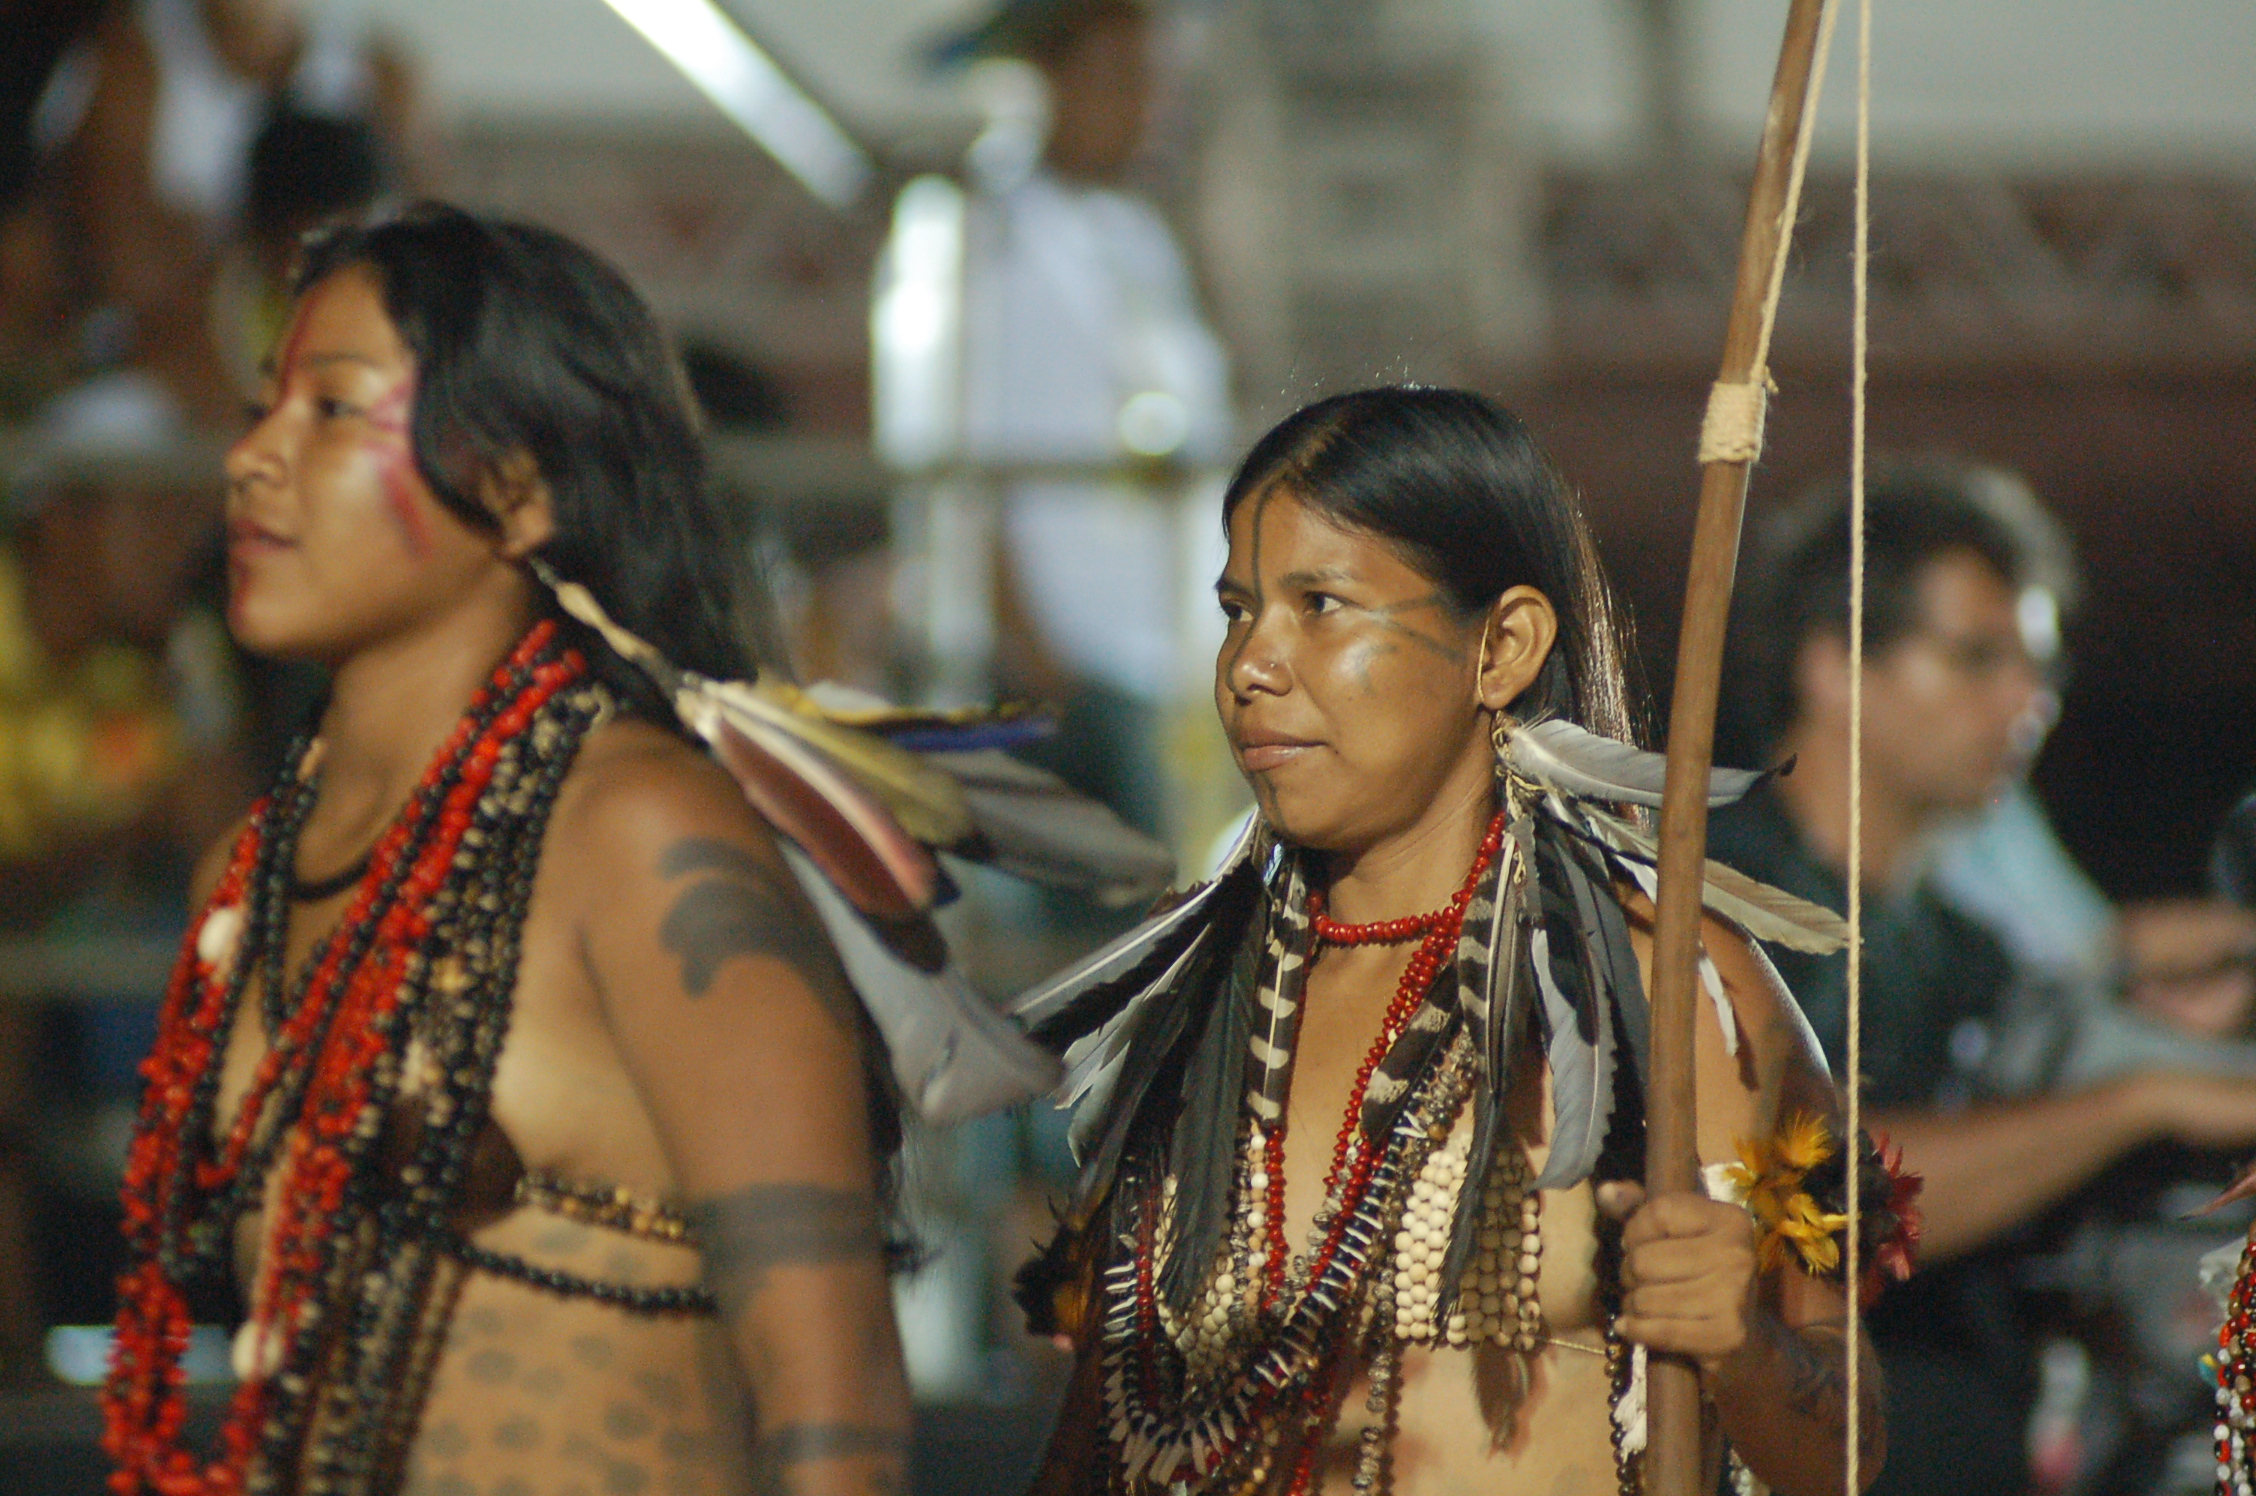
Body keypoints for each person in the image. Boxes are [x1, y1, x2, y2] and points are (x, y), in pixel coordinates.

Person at [103, 205, 908, 1496]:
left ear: (520, 490)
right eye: (262, 405)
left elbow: (837, 1384)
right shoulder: (242, 882)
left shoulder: (641, 836)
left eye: (331, 409)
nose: (252, 457)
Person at [1012, 387, 1896, 1496]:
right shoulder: (1191, 992)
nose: (1250, 664)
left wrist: (1743, 1345)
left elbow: (1846, 1452)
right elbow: (1096, 1432)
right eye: (1240, 609)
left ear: (1503, 645)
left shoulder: (1676, 987)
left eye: (1321, 604)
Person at [1711, 460, 2256, 1496]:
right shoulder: (1716, 900)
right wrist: (2145, 1098)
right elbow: (1803, 1200)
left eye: (2037, 667)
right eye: (1975, 657)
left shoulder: (1962, 943)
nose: (2027, 701)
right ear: (1835, 667)